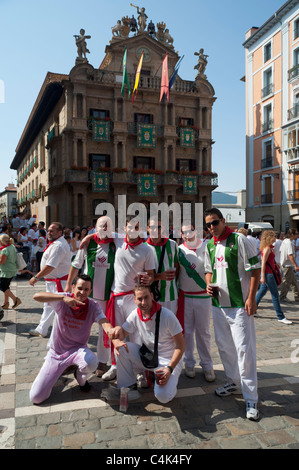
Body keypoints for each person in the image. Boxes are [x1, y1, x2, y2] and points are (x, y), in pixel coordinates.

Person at [80, 215, 155, 382]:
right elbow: (100, 232)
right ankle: (114, 366)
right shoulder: (119, 240)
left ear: (140, 229)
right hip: (116, 297)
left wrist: (148, 280)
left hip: (133, 298)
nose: (132, 231)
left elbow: (151, 276)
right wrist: (87, 236)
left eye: (136, 228)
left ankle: (139, 370)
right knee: (115, 333)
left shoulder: (147, 249)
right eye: (129, 227)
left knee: (136, 334)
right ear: (124, 228)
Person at [204, 208, 261, 421]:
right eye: (208, 224)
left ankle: (251, 397)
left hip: (239, 305)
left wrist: (252, 298)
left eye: (215, 223)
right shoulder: (209, 244)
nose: (211, 227)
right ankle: (233, 382)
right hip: (218, 305)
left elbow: (255, 269)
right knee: (225, 347)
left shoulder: (239, 240)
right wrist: (208, 284)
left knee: (245, 350)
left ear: (223, 220)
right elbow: (208, 270)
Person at [29, 274, 115, 404]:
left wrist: (112, 332)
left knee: (91, 362)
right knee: (36, 397)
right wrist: (63, 298)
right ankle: (55, 374)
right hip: (56, 353)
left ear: (90, 291)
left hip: (77, 350)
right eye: (80, 288)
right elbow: (37, 296)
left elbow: (103, 321)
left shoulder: (93, 305)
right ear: (73, 287)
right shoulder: (63, 299)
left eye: (86, 290)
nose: (82, 292)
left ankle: (80, 378)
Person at [111, 284, 185, 404]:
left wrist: (170, 369)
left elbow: (181, 346)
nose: (144, 302)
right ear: (134, 300)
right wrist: (117, 332)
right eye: (140, 299)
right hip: (149, 357)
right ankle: (128, 387)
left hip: (168, 360)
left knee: (163, 396)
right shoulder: (135, 314)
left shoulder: (167, 315)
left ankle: (171, 381)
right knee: (121, 348)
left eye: (146, 297)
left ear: (152, 296)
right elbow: (122, 334)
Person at [65, 216, 115, 378]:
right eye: (102, 226)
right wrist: (68, 286)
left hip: (106, 297)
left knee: (104, 331)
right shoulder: (88, 244)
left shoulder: (117, 244)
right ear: (96, 227)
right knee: (77, 327)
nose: (104, 229)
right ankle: (72, 359)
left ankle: (102, 361)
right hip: (86, 296)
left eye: (108, 226)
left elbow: (138, 234)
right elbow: (76, 265)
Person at [177, 221, 215, 382]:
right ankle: (189, 363)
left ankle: (207, 365)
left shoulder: (206, 246)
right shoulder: (178, 250)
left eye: (190, 231)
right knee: (187, 333)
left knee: (204, 332)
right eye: (184, 232)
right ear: (181, 234)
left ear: (196, 231)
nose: (188, 234)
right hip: (185, 296)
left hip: (203, 296)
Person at [28, 222, 71, 337]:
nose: (49, 233)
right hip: (53, 282)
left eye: (52, 231)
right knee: (48, 305)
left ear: (60, 232)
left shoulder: (58, 246)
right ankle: (42, 329)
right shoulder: (56, 243)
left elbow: (51, 266)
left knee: (60, 308)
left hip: (59, 283)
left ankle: (64, 333)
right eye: (48, 231)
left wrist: (36, 277)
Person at [255, 230, 292, 324]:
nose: (276, 237)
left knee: (261, 292)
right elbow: (263, 263)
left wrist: (275, 264)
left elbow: (267, 260)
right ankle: (280, 316)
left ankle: (253, 309)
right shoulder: (267, 248)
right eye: (274, 236)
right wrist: (262, 276)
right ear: (270, 237)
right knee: (275, 295)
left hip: (269, 273)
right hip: (268, 274)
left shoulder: (268, 247)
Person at [146, 217, 179, 313]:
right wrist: (158, 276)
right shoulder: (144, 247)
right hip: (151, 296)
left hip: (171, 296)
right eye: (152, 227)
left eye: (159, 227)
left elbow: (177, 266)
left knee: (170, 326)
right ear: (148, 228)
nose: (156, 230)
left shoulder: (172, 245)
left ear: (163, 228)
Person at [0, 233, 21, 312]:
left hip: (6, 270)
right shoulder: (11, 246)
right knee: (6, 286)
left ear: (2, 241)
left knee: (2, 287)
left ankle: (15, 299)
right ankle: (5, 303)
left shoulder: (5, 250)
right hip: (11, 269)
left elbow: (2, 261)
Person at [279, 229, 299, 302]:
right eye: (296, 233)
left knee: (293, 281)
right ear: (293, 235)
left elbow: (280, 251)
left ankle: (297, 296)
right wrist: (296, 265)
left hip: (286, 264)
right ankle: (282, 296)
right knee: (287, 282)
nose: (297, 235)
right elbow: (290, 255)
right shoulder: (289, 243)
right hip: (287, 265)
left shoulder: (284, 241)